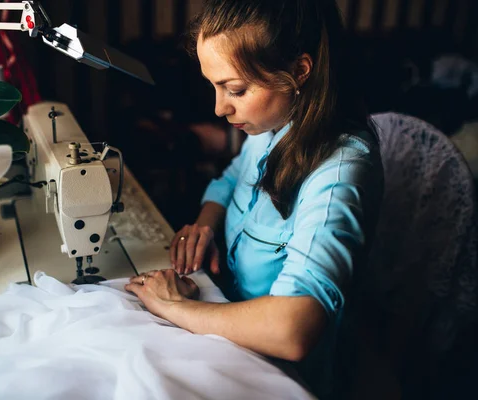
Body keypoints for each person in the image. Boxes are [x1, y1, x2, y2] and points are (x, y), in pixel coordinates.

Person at [124, 0, 384, 398]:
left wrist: (176, 308)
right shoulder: (272, 122)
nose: (219, 107)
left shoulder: (340, 173)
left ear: (298, 71)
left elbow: (292, 327)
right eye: (215, 86)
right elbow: (232, 179)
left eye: (235, 89)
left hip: (278, 374)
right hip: (224, 324)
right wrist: (206, 225)